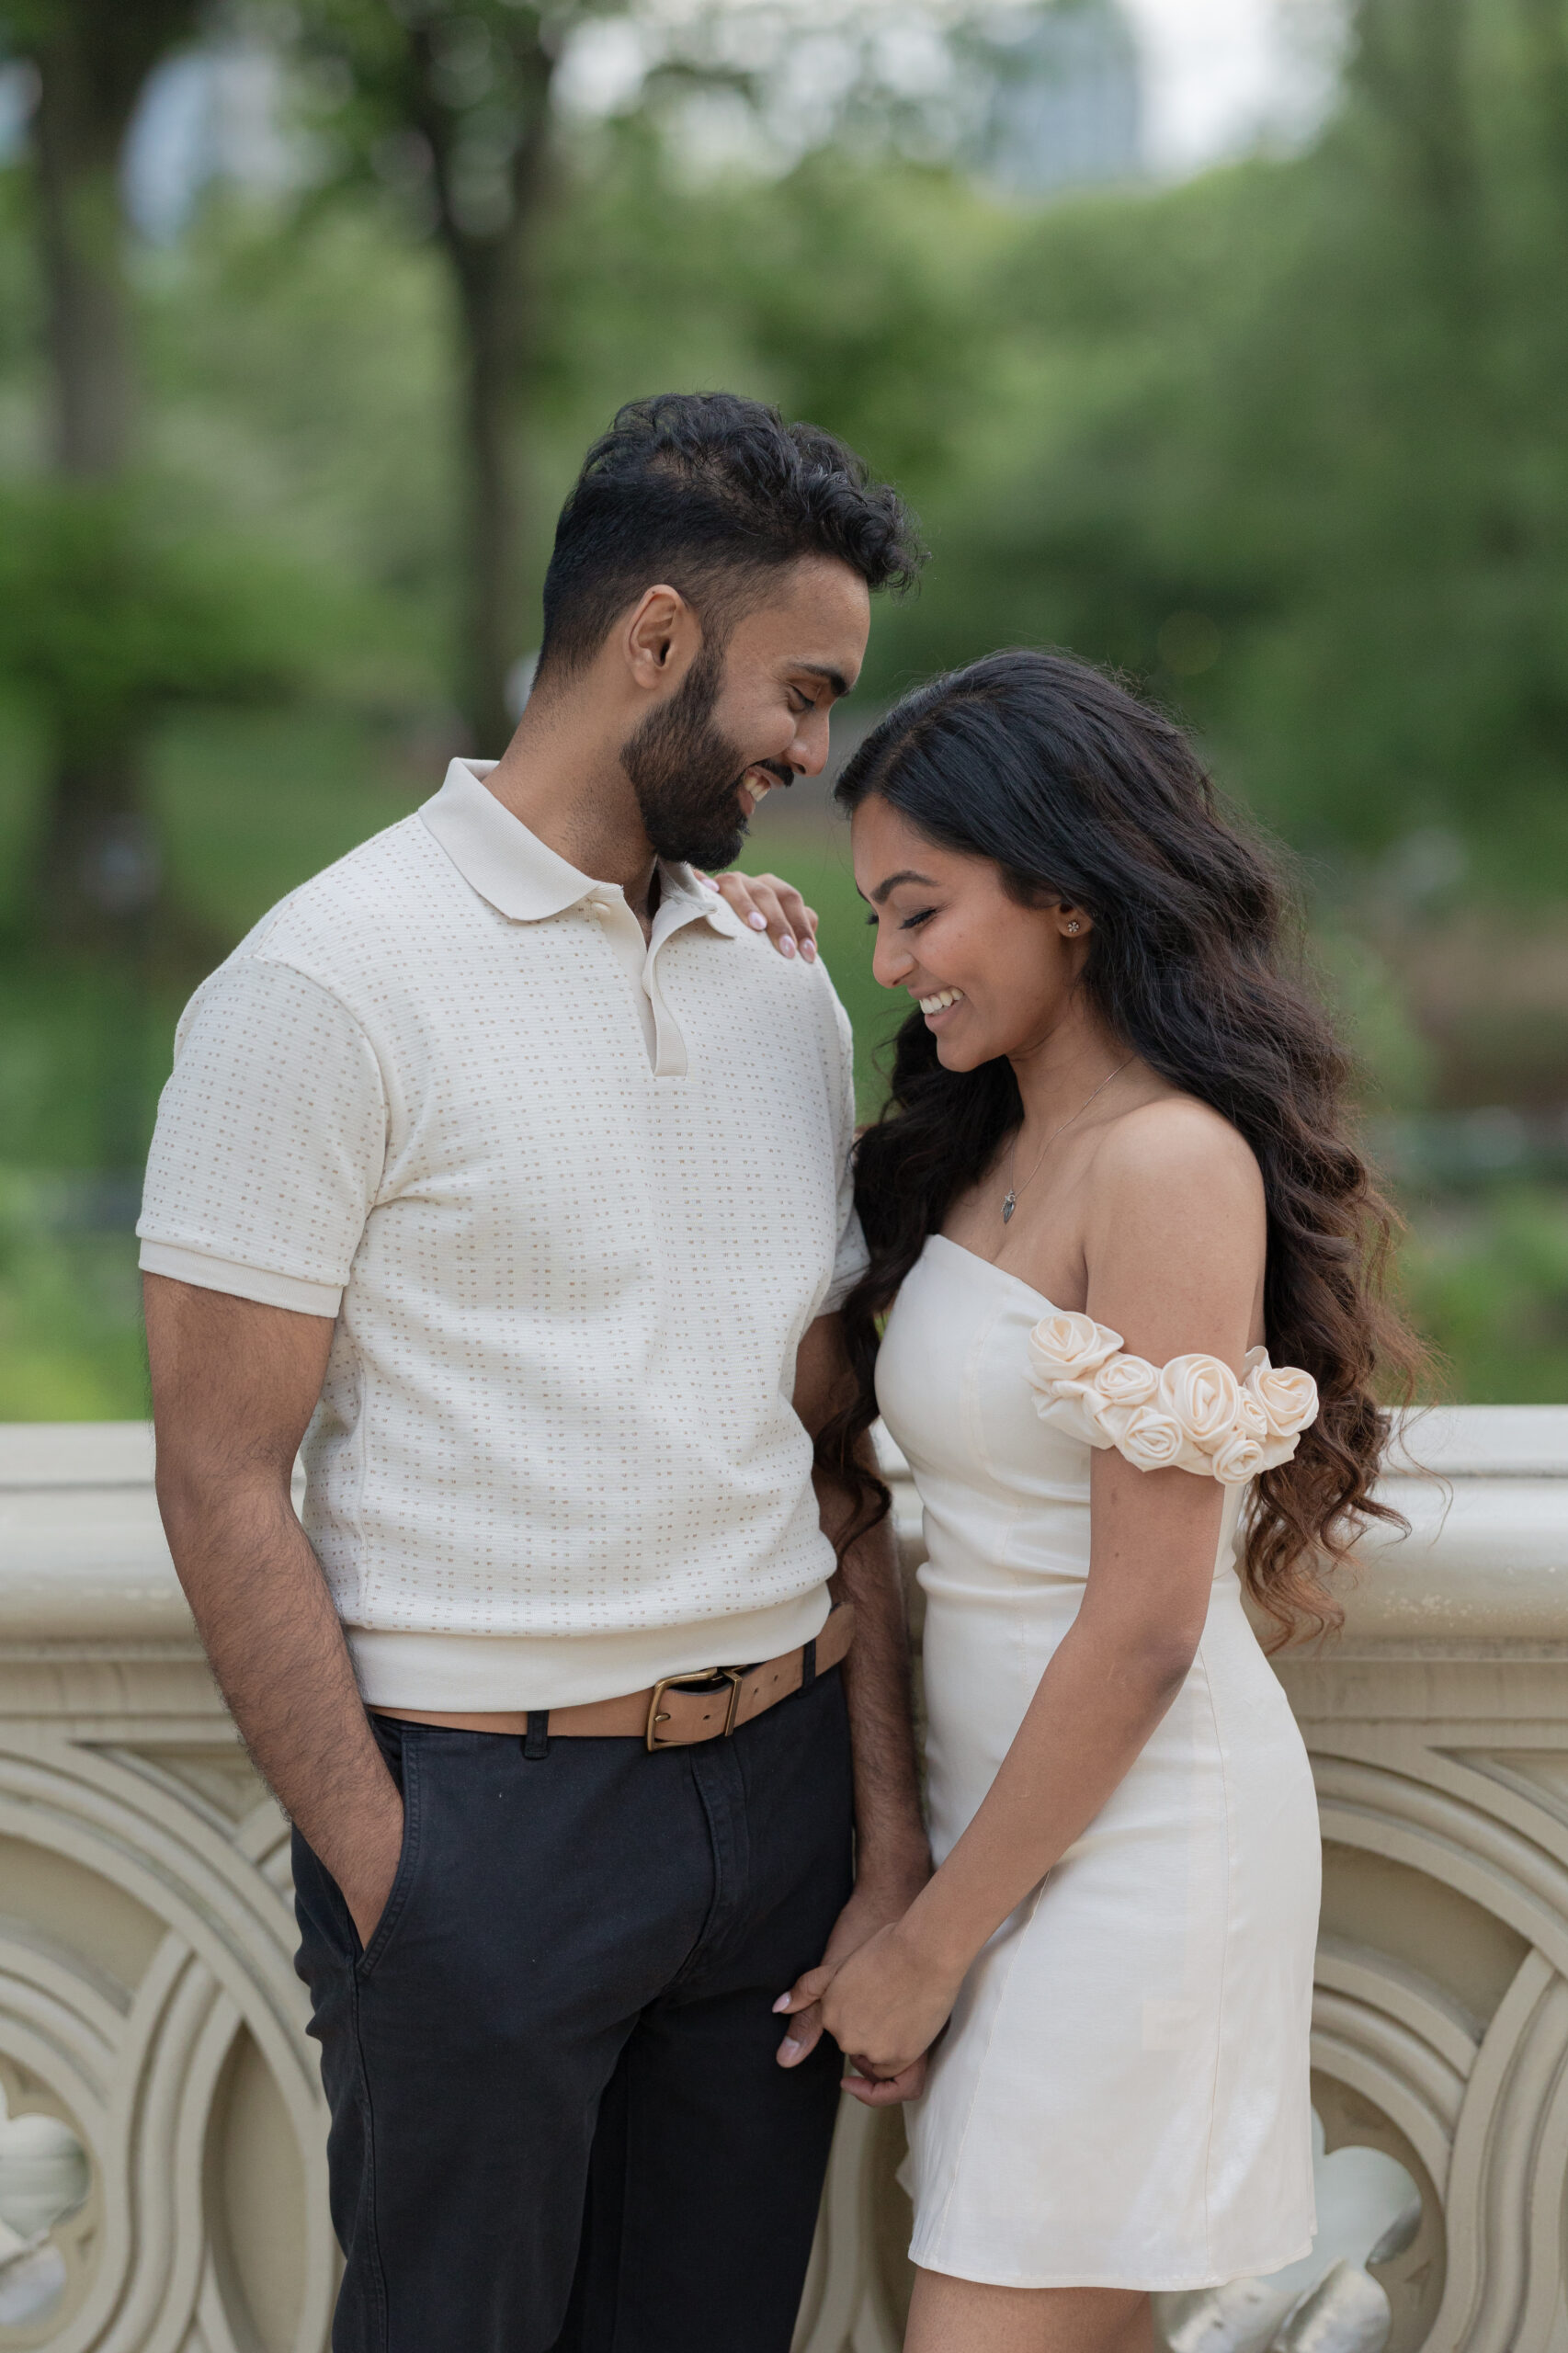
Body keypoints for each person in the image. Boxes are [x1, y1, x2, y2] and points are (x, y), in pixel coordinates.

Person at [137, 392, 931, 2353]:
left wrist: (873, 1841)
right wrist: (396, 1870)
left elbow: (829, 1442)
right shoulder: (324, 982)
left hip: (772, 1813)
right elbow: (220, 1468)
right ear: (654, 642)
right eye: (798, 691)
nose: (812, 756)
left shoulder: (774, 984)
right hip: (484, 1825)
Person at [774, 651, 1422, 2353]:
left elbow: (1142, 1626)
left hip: (1132, 1850)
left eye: (921, 912)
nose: (894, 967)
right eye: (872, 924)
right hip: (1001, 1832)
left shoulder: (1167, 1165)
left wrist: (930, 1943)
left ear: (1065, 893)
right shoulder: (979, 1153)